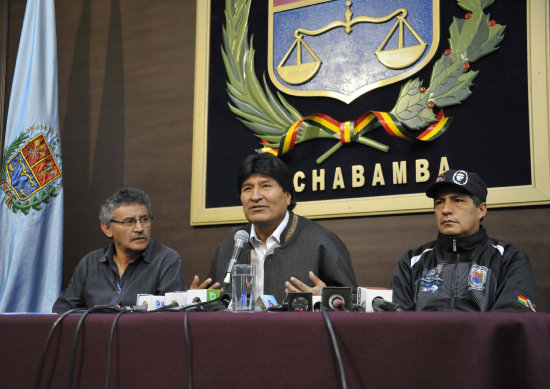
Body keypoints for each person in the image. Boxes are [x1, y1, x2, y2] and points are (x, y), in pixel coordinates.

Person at [191, 153, 357, 304]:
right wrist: (195, 301)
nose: (255, 196)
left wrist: (326, 299)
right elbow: (214, 306)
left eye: (266, 186)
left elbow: (354, 302)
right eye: (247, 189)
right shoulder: (228, 248)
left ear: (287, 196)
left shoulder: (322, 243)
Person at [391, 169, 537, 312]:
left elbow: (512, 321)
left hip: (484, 337)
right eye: (439, 202)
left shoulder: (509, 258)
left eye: (458, 200)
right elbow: (398, 324)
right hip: (422, 337)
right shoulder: (412, 261)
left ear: (481, 210)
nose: (445, 209)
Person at [52, 188, 184, 313]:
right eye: (129, 221)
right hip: (96, 335)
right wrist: (97, 315)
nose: (139, 228)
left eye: (144, 220)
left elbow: (170, 316)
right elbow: (62, 310)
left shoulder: (166, 260)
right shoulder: (90, 263)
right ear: (107, 228)